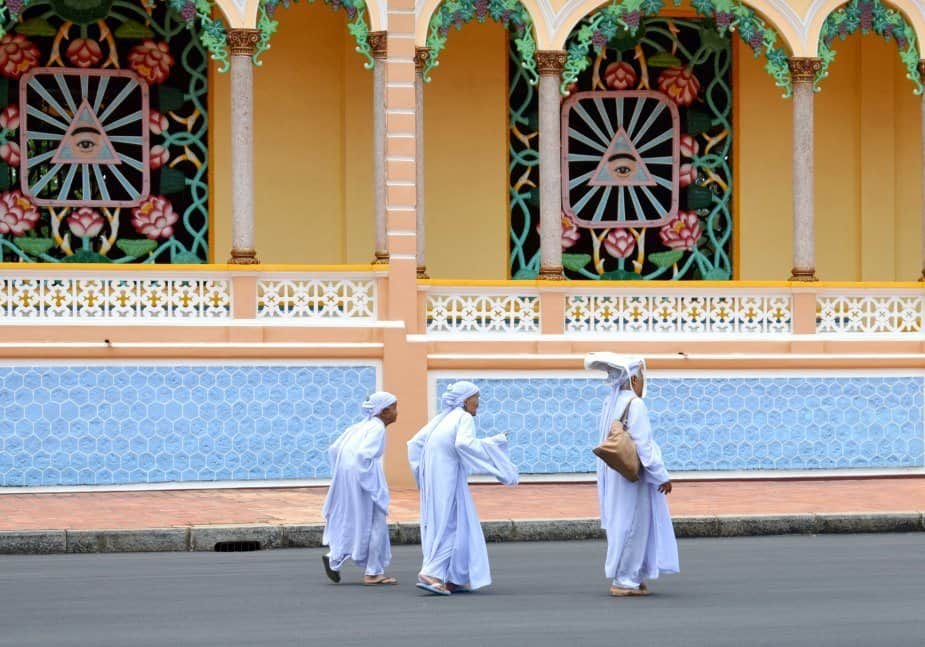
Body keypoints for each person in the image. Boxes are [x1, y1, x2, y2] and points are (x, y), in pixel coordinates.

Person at [407, 381, 519, 596]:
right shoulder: (463, 417)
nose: (479, 403)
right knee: (453, 525)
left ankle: (453, 577)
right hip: (448, 479)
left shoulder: (442, 419)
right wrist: (494, 450)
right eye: (476, 398)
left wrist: (423, 475)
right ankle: (431, 573)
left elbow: (414, 444)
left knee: (444, 524)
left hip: (435, 479)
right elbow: (464, 444)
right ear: (466, 400)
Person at [585, 352, 679, 597]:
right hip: (631, 476)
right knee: (634, 524)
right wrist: (662, 475)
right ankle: (625, 580)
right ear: (634, 380)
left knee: (621, 522)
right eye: (642, 378)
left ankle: (631, 575)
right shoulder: (635, 404)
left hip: (615, 473)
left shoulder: (611, 401)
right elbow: (643, 446)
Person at [321, 391, 399, 586]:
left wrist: (344, 474)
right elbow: (364, 456)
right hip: (364, 479)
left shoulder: (358, 427)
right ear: (384, 411)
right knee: (376, 523)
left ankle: (335, 557)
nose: (397, 412)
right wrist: (371, 485)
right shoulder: (377, 428)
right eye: (394, 408)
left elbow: (334, 449)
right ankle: (372, 573)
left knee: (353, 519)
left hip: (348, 478)